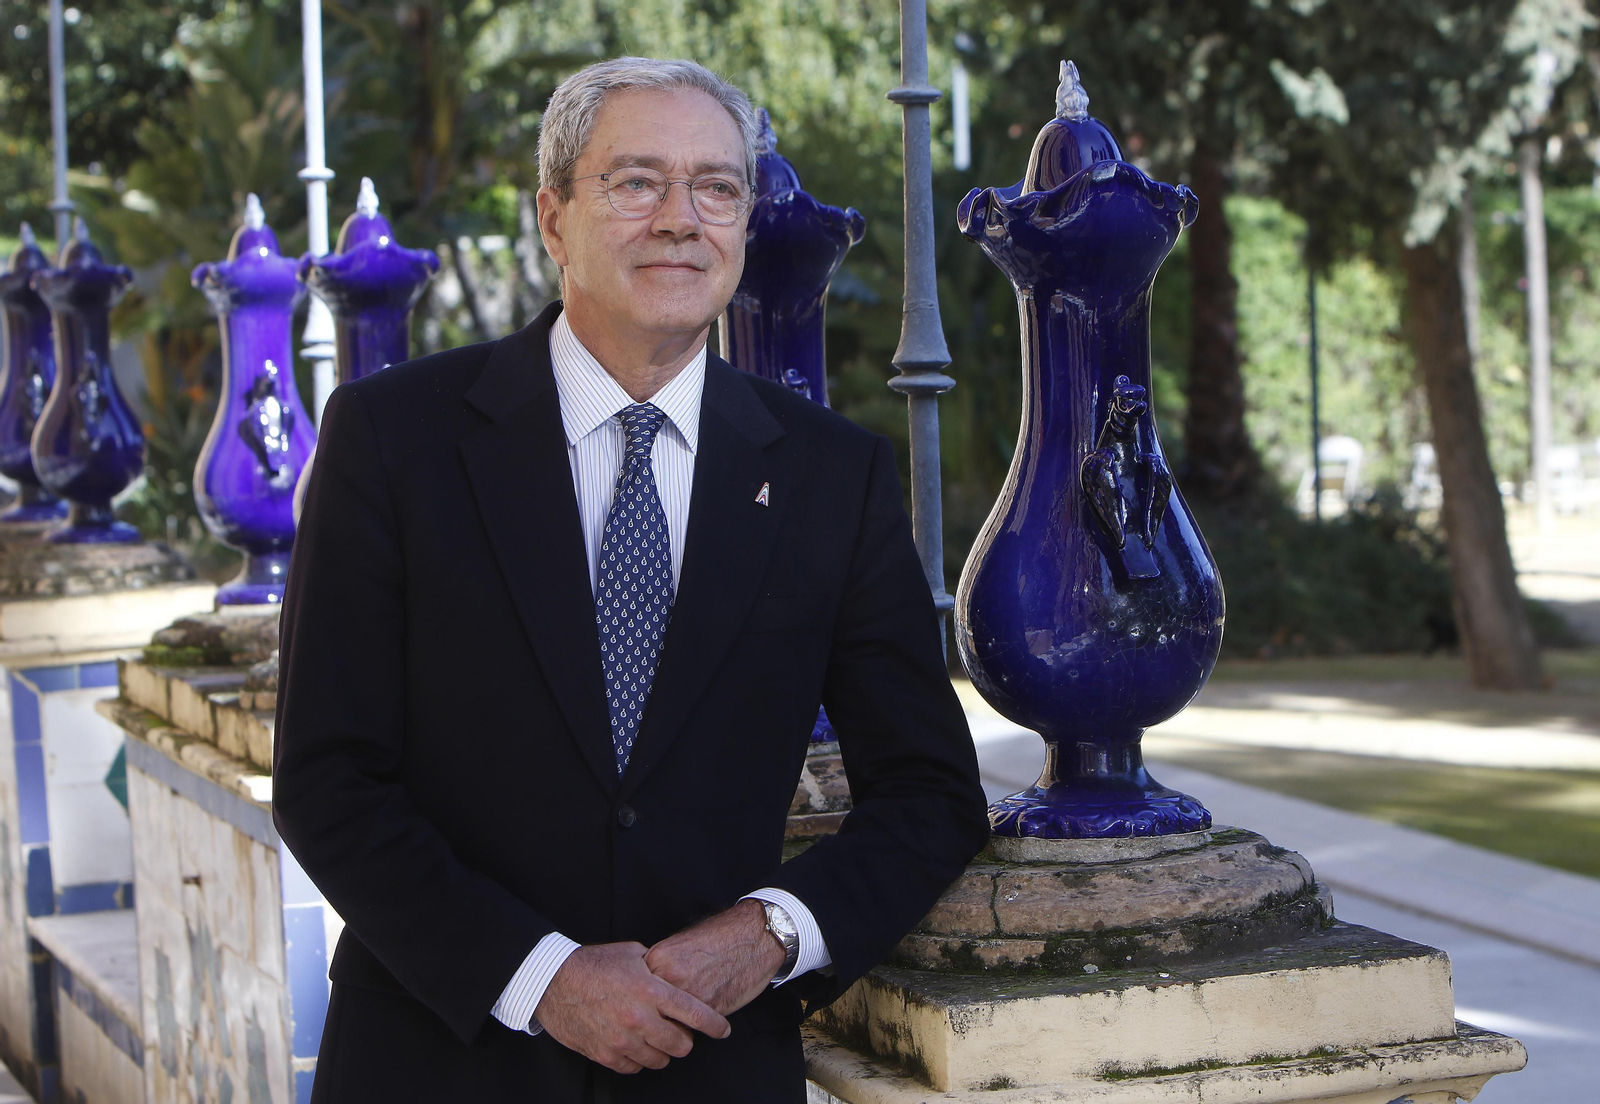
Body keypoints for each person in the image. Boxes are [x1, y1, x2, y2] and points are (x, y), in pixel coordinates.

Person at [272, 55, 988, 1103]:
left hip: (708, 1058)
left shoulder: (832, 474)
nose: (681, 218)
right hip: (441, 1057)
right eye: (638, 181)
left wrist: (768, 936)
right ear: (553, 219)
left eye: (717, 187)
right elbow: (328, 779)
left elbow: (929, 794)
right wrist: (544, 978)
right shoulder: (394, 439)